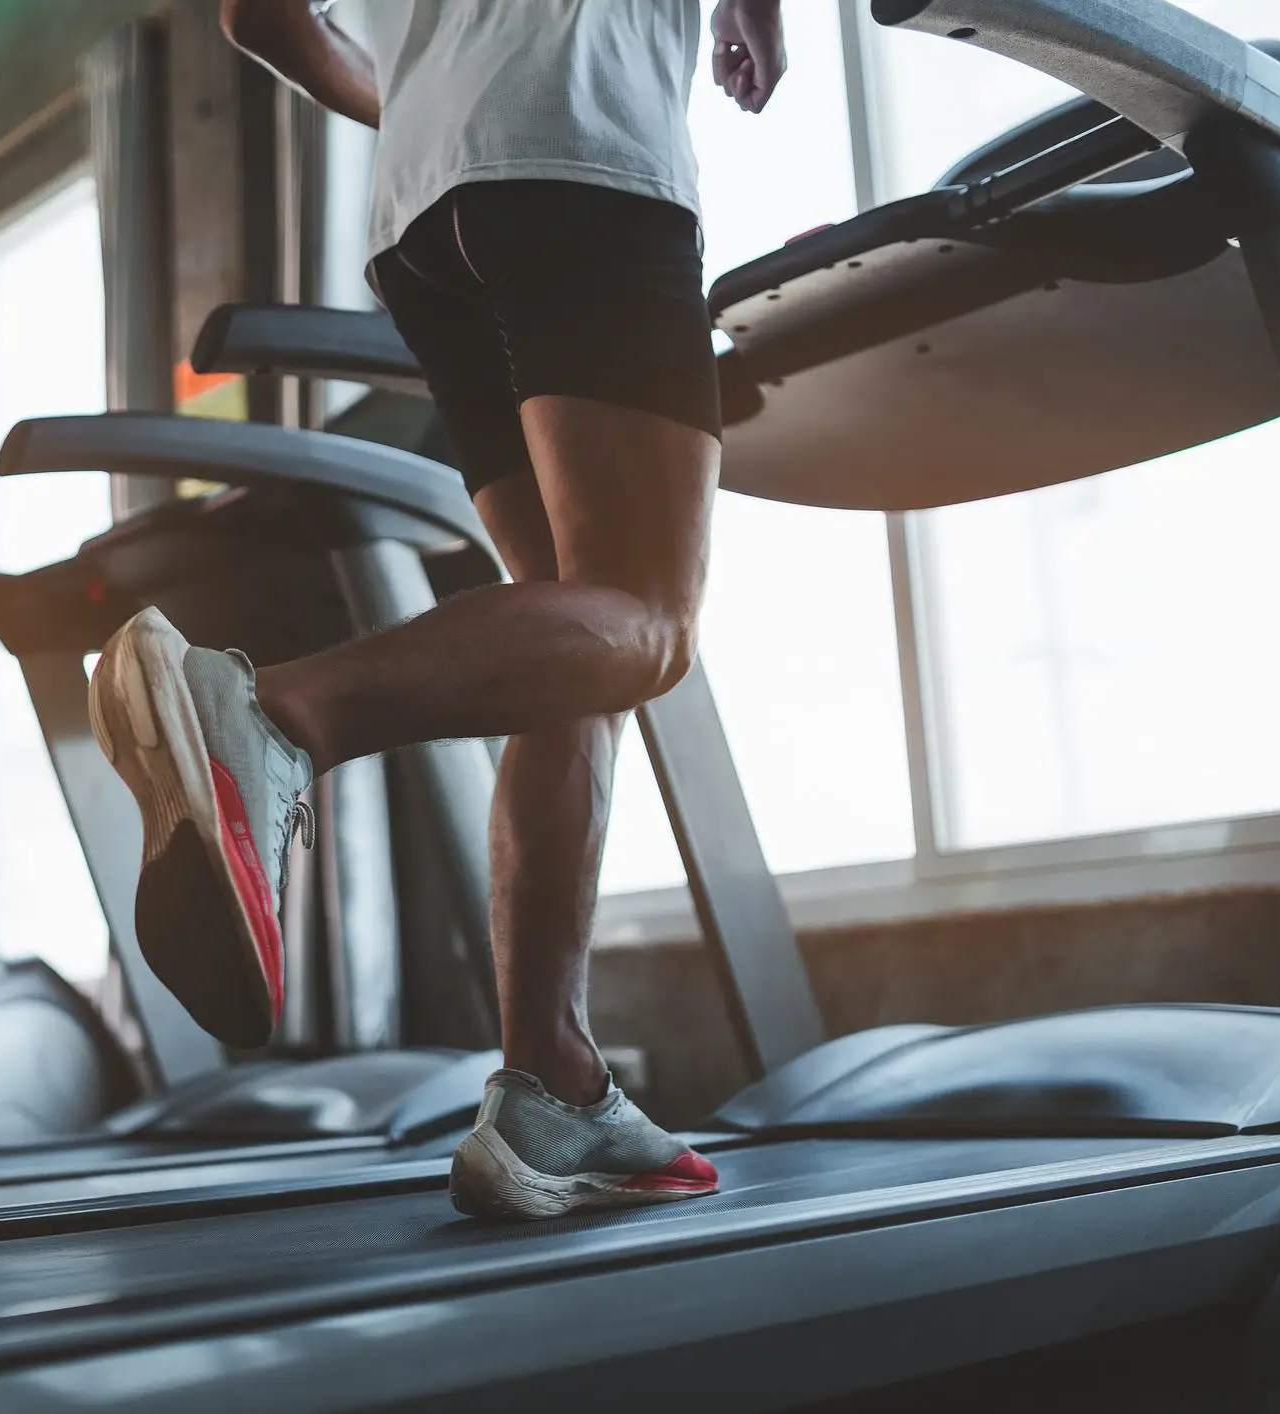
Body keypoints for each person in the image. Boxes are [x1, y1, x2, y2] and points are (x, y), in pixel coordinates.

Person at [89, 0, 787, 1220]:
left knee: (569, 640)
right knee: (648, 624)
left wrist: (426, 102)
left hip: (420, 208)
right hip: (581, 149)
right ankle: (273, 715)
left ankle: (549, 1082)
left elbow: (258, 18)